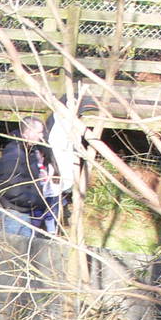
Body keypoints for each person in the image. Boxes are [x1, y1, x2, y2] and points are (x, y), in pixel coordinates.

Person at [0, 116, 56, 238]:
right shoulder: (15, 154)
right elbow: (13, 189)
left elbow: (27, 180)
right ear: (27, 132)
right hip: (13, 212)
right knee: (6, 248)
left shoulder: (30, 152)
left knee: (24, 249)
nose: (42, 136)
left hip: (24, 211)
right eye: (39, 133)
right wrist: (36, 201)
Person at [42, 94, 99, 230]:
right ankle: (49, 229)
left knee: (60, 194)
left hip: (65, 168)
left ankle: (55, 222)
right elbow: (54, 149)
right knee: (52, 202)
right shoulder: (58, 122)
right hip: (56, 168)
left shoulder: (69, 121)